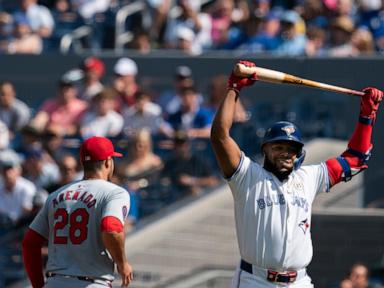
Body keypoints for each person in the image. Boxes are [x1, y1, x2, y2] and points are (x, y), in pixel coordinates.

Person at [210, 60, 383, 287]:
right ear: (265, 150)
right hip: (255, 280)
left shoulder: (308, 178)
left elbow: (356, 159)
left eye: (291, 149)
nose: (285, 153)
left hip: (299, 281)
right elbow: (220, 136)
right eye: (278, 147)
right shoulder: (247, 176)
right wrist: (234, 88)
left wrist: (367, 116)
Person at [22, 136, 133, 288]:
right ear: (108, 162)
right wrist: (122, 263)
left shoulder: (56, 195)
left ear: (82, 163)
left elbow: (30, 243)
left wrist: (38, 285)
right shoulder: (115, 193)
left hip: (55, 282)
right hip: (92, 282)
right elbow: (111, 227)